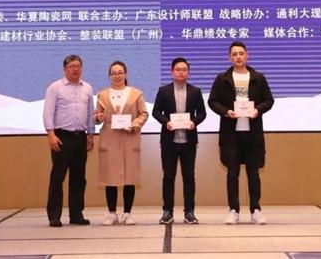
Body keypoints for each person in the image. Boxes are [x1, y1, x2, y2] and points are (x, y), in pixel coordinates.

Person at [208, 41, 274, 225]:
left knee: (254, 173)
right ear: (229, 57)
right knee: (232, 174)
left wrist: (257, 110)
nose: (238, 57)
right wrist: (226, 111)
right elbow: (213, 101)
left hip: (252, 134)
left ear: (247, 55)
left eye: (241, 53)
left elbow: (269, 100)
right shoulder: (222, 78)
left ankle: (256, 210)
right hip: (231, 134)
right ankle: (233, 210)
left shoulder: (258, 77)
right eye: (234, 54)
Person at [42, 54, 95, 227]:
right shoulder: (55, 88)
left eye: (78, 66)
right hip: (61, 137)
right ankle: (54, 215)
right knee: (58, 177)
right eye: (72, 66)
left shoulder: (87, 88)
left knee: (79, 178)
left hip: (80, 137)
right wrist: (51, 134)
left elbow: (90, 113)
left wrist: (91, 135)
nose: (75, 69)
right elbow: (48, 112)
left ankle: (76, 214)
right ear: (65, 69)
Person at [152, 57, 207, 225]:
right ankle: (167, 212)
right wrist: (166, 122)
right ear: (172, 72)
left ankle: (189, 212)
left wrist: (194, 123)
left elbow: (202, 113)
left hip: (189, 141)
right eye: (177, 69)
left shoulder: (195, 91)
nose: (181, 72)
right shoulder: (163, 91)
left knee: (189, 177)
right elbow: (156, 112)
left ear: (188, 72)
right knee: (168, 177)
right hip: (169, 141)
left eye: (184, 70)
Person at [95, 61, 148, 225]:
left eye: (120, 72)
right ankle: (112, 213)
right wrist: (98, 117)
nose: (117, 76)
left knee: (129, 177)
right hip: (110, 137)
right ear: (109, 76)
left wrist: (134, 124)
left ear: (125, 74)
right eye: (113, 73)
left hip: (129, 136)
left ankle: (127, 213)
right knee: (110, 177)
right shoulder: (102, 95)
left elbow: (143, 114)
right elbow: (97, 116)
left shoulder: (135, 94)